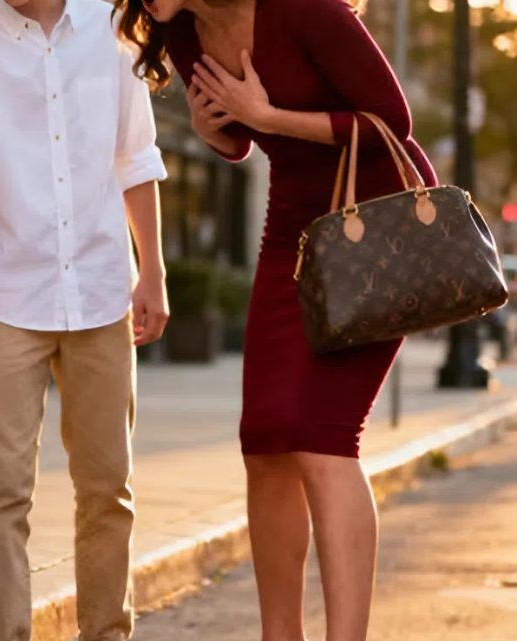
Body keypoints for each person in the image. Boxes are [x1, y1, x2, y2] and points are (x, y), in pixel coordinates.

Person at [113, 1, 439, 639]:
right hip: (293, 230)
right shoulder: (182, 30)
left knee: (322, 435)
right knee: (264, 440)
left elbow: (392, 123)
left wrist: (269, 117)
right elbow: (239, 140)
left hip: (378, 223)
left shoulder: (302, 8)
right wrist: (219, 137)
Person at [0, 1, 170, 639]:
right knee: (1, 494)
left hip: (101, 289)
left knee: (107, 488)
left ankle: (106, 633)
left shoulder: (113, 28)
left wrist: (150, 270)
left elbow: (137, 156)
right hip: (5, 293)